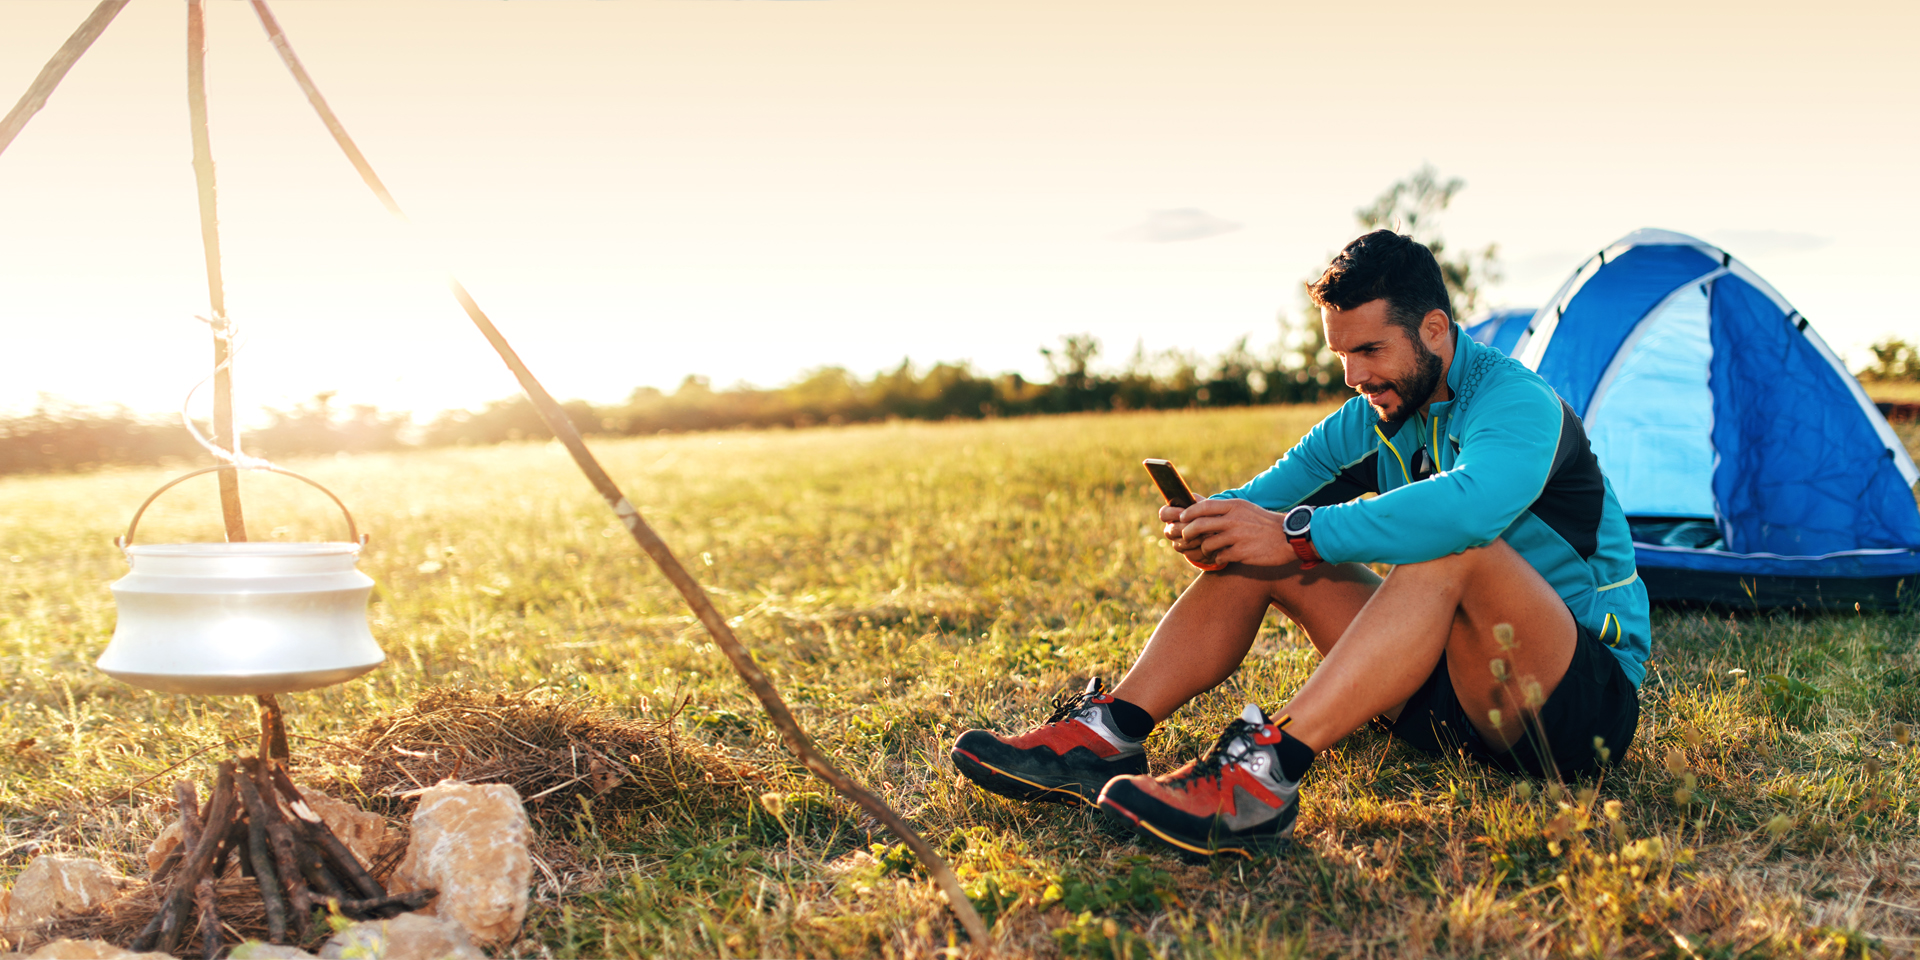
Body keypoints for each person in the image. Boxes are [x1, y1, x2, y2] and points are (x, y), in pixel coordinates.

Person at [951, 230, 1649, 859]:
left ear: (1434, 329)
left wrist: (1295, 534)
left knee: (1457, 544)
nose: (1353, 376)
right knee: (1260, 547)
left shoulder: (1515, 402)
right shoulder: (1372, 415)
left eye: (1370, 349)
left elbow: (1471, 508)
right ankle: (1106, 736)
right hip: (1448, 701)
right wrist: (1215, 524)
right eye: (1342, 354)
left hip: (1570, 707)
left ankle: (1265, 772)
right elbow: (1265, 502)